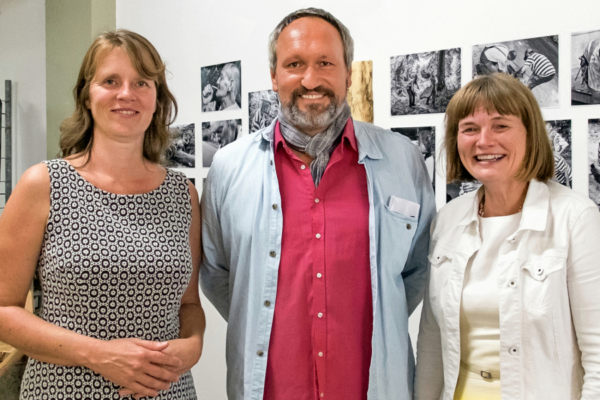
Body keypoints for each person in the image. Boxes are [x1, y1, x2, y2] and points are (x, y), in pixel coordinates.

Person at [201, 7, 435, 400]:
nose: (311, 79)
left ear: (347, 72)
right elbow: (219, 273)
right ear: (274, 76)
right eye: (295, 64)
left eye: (325, 63)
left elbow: (416, 270)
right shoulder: (228, 166)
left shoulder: (403, 160)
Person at [0, 30, 205, 399]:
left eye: (141, 82)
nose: (126, 93)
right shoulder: (44, 184)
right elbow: (3, 308)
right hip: (64, 390)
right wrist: (100, 355)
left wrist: (193, 344)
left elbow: (188, 304)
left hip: (167, 391)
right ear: (87, 95)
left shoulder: (182, 194)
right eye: (110, 81)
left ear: (157, 99)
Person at [414, 73, 600, 400]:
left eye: (500, 126)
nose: (484, 141)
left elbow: (597, 353)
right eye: (470, 128)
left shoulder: (576, 218)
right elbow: (432, 342)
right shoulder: (447, 220)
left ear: (530, 134)